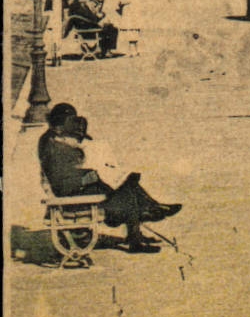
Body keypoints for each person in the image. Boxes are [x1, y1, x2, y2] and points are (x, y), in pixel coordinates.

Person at [38, 103, 181, 253]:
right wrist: (92, 175)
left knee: (126, 182)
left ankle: (148, 213)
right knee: (125, 190)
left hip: (80, 190)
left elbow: (70, 170)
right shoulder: (54, 148)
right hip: (74, 198)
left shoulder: (52, 140)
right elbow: (66, 185)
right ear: (58, 127)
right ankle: (141, 228)